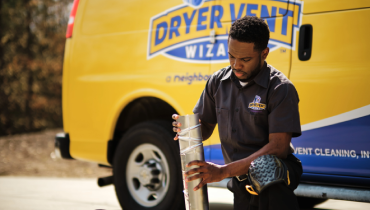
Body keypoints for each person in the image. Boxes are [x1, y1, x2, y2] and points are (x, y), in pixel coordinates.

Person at [172, 16, 303, 210]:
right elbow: (206, 126)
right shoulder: (218, 82)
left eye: (245, 59)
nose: (236, 65)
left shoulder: (280, 89)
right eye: (231, 56)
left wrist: (223, 171)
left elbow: (278, 147)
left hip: (274, 179)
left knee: (264, 168)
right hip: (240, 182)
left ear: (264, 53)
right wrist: (188, 130)